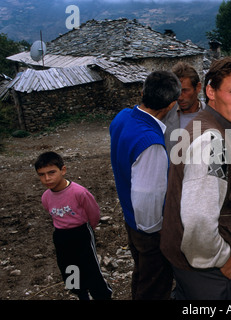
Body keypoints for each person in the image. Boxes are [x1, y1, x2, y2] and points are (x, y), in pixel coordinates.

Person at [160, 56, 231, 300]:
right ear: (211, 91)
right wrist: (222, 258)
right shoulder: (212, 140)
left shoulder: (200, 124)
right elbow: (199, 219)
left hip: (185, 263)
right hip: (207, 272)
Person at [109, 70, 181, 300]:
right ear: (171, 105)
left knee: (142, 275)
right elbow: (147, 197)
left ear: (142, 92)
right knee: (155, 287)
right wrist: (157, 235)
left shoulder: (121, 118)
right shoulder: (151, 144)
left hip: (131, 219)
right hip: (147, 230)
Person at [35, 151, 112, 300]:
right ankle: (80, 294)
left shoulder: (79, 192)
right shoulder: (46, 197)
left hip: (81, 233)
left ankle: (102, 295)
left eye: (51, 172)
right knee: (68, 268)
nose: (47, 178)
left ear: (63, 170)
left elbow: (94, 213)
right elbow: (51, 214)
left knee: (90, 268)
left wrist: (89, 230)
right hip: (61, 236)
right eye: (42, 174)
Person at [162, 61, 206, 157]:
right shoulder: (165, 115)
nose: (180, 97)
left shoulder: (211, 117)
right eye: (177, 91)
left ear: (198, 87)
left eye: (185, 91)